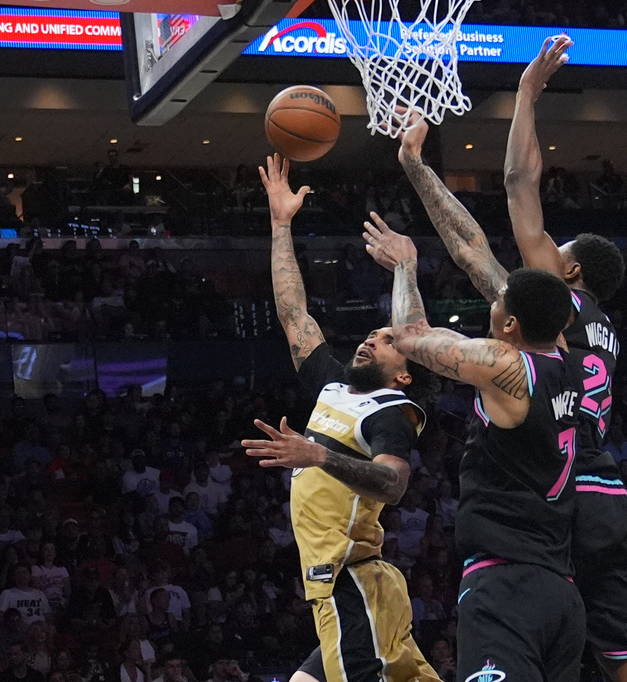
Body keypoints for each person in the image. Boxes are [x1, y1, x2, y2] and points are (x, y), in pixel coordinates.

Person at [393, 36, 627, 682]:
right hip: (613, 496)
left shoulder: (554, 305)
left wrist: (527, 93)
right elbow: (473, 253)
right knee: (623, 662)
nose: (540, 248)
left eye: (552, 250)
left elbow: (516, 184)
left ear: (571, 272)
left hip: (561, 498)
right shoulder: (590, 330)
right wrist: (419, 172)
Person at [241, 154, 439, 682]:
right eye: (372, 333)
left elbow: (394, 485)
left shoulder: (393, 410)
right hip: (344, 587)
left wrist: (317, 454)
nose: (372, 337)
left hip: (354, 581)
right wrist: (282, 224)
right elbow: (292, 314)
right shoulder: (332, 383)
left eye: (388, 340)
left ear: (406, 375)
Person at [362, 215, 585, 681]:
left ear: (510, 323)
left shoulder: (505, 365)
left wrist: (405, 265)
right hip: (559, 590)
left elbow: (409, 336)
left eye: (500, 301)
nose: (494, 298)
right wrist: (415, 164)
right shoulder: (564, 357)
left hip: (507, 586)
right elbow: (481, 259)